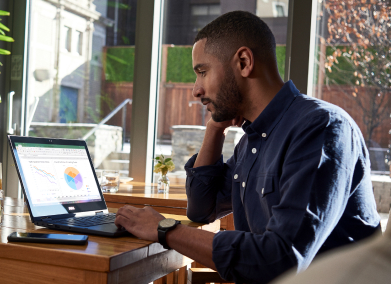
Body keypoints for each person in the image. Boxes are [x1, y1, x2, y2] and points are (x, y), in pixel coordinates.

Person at [114, 11, 381, 284]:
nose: (196, 90)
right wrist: (215, 129)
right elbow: (201, 209)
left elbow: (282, 260)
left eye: (203, 72)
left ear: (243, 62)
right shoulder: (251, 141)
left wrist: (165, 229)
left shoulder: (320, 128)